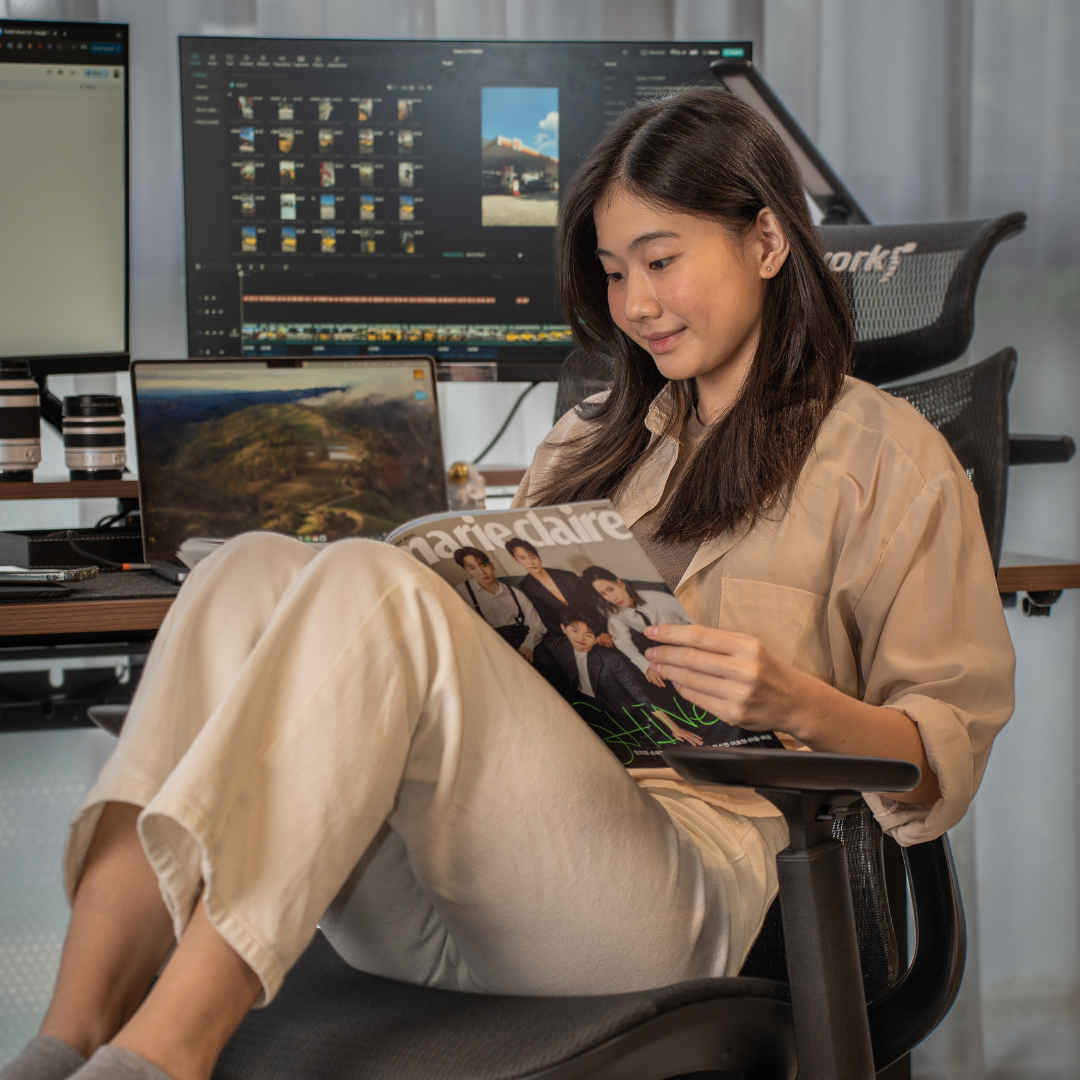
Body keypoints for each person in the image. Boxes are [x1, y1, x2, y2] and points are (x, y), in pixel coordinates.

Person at [1, 86, 1012, 1080]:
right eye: (614, 274)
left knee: (363, 580)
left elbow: (941, 760)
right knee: (245, 570)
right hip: (473, 891)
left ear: (766, 242)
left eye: (661, 261)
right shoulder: (583, 444)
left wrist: (795, 702)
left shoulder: (887, 459)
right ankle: (66, 1042)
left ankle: (167, 1051)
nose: (636, 305)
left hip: (670, 896)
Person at [547, 609, 705, 753]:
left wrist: (674, 728)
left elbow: (641, 695)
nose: (580, 638)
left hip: (621, 717)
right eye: (574, 631)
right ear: (563, 629)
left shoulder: (611, 660)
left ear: (597, 639)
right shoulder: (557, 647)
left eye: (588, 635)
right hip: (582, 713)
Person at [581, 566, 689, 680]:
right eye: (603, 594)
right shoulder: (616, 614)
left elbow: (691, 616)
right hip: (664, 648)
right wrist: (646, 667)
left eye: (611, 589)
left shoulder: (658, 599)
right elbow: (622, 642)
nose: (612, 598)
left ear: (620, 583)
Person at [505, 537, 611, 643]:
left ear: (539, 558)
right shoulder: (526, 586)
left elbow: (594, 603)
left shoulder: (567, 576)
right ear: (515, 560)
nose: (530, 562)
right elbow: (545, 619)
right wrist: (574, 637)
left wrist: (602, 631)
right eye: (522, 558)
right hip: (565, 636)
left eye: (532, 557)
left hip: (596, 628)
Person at [452, 546, 545, 662]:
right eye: (472, 568)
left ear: (492, 566)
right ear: (466, 570)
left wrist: (527, 646)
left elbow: (537, 625)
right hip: (489, 644)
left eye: (483, 565)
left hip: (522, 638)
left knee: (546, 664)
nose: (481, 572)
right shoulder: (460, 593)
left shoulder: (515, 593)